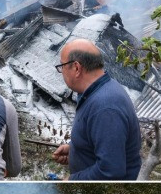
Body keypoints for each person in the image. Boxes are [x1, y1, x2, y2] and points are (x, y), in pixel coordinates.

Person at [52, 38, 142, 180]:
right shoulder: (96, 92)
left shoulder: (105, 107)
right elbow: (106, 144)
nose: (61, 72)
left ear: (76, 68)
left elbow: (110, 172)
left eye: (62, 66)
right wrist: (76, 150)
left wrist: (72, 181)